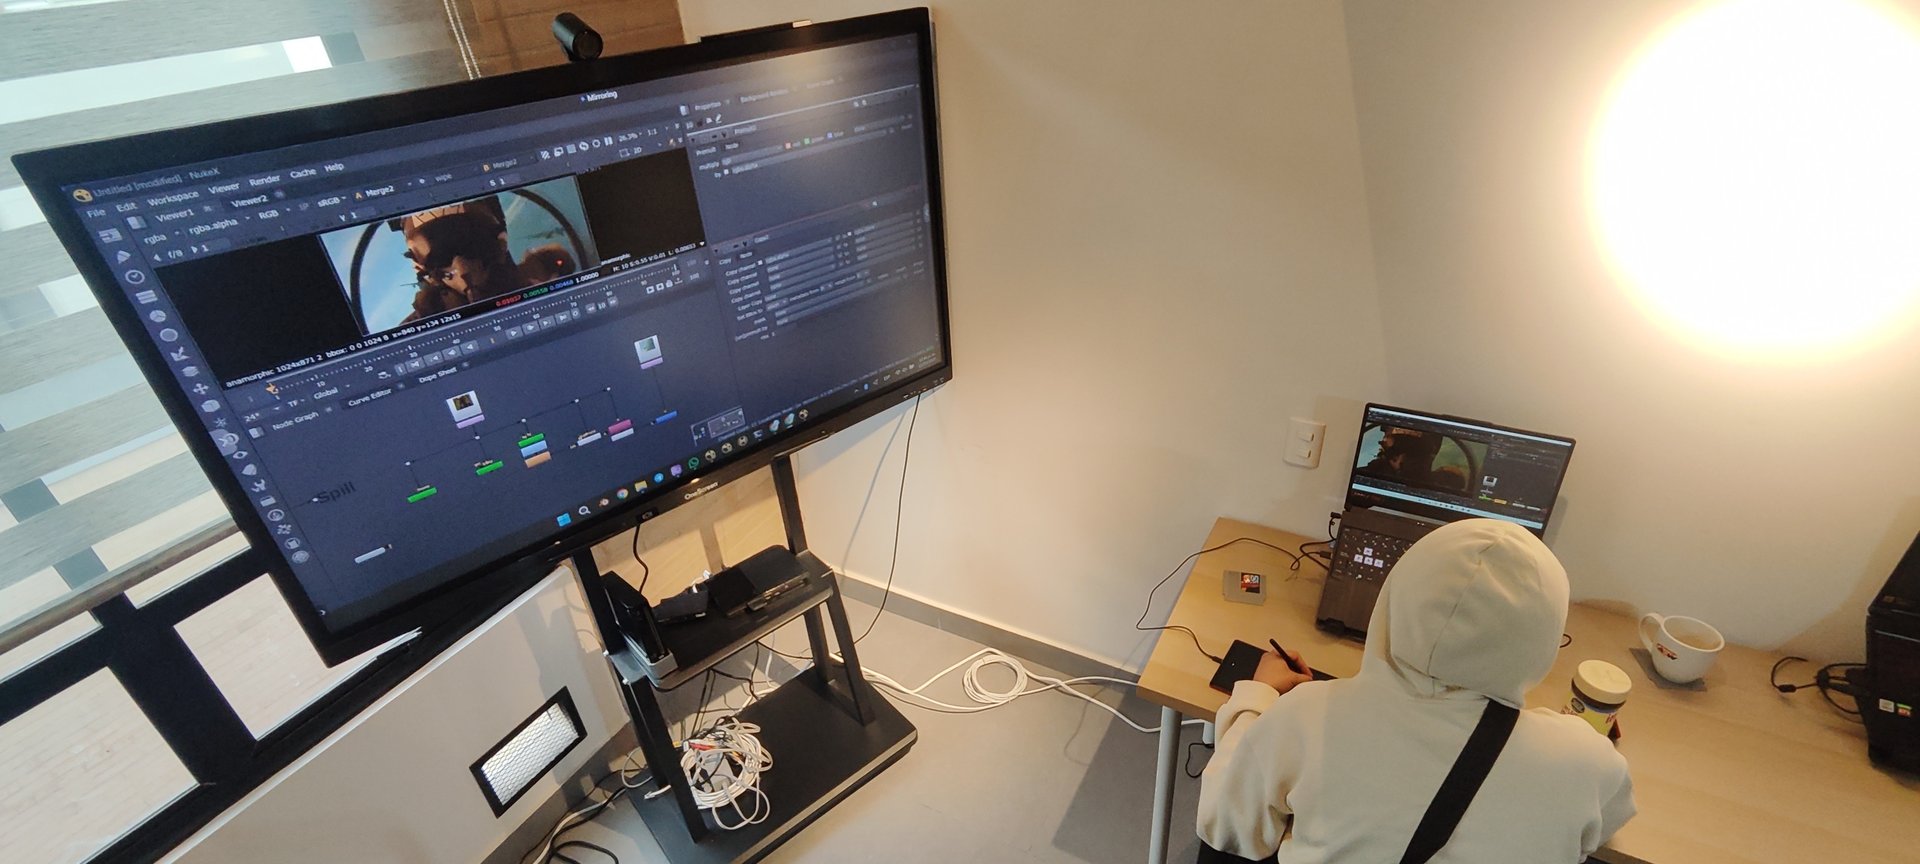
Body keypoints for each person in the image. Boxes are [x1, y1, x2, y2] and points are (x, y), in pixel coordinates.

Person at [1196, 518, 1635, 862]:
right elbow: (1606, 822)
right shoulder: (1586, 759)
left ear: (1393, 598)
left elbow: (1225, 827)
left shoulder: (1306, 717)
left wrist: (1255, 699)